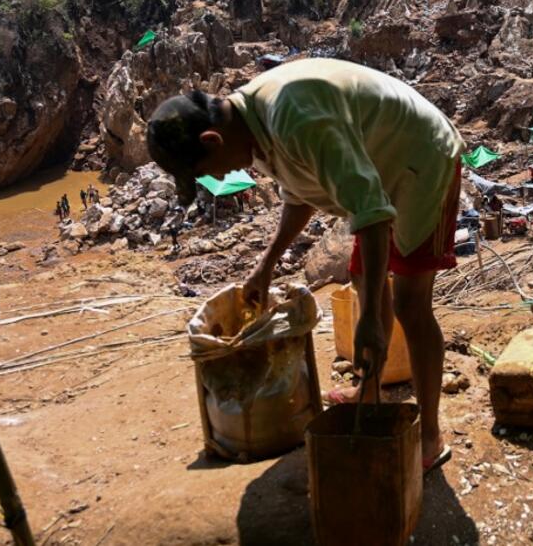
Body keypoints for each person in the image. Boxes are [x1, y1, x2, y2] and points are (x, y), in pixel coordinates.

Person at [145, 57, 463, 472]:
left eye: (206, 172)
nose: (215, 178)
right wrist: (266, 265)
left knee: (410, 304)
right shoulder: (248, 127)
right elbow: (300, 197)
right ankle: (370, 394)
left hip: (420, 160)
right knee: (361, 277)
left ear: (212, 141)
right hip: (377, 170)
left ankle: (430, 436)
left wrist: (368, 319)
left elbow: (370, 210)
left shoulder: (295, 118)